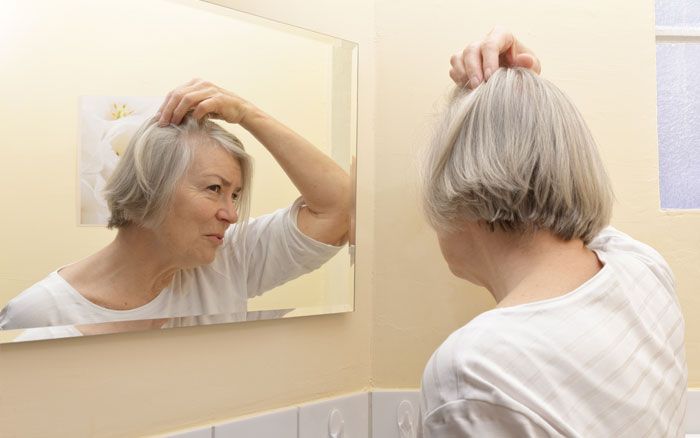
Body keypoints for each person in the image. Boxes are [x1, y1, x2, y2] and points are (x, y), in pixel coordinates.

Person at [418, 28, 687, 437]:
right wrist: (523, 92)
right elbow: (569, 202)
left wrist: (513, 96)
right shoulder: (644, 272)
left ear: (457, 187)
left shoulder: (474, 371)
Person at [0, 80, 350, 331]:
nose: (230, 214)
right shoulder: (39, 315)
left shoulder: (229, 261)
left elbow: (340, 207)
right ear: (150, 189)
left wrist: (246, 113)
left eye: (236, 195)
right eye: (215, 188)